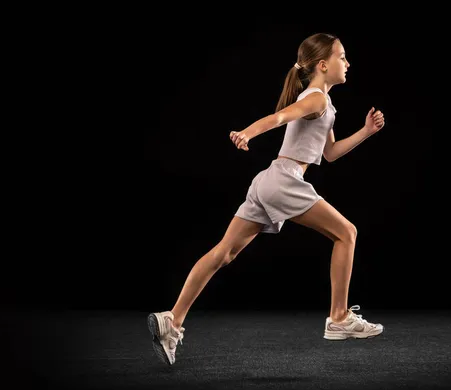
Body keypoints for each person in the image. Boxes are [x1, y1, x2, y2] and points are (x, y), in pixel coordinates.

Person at [148, 33, 386, 365]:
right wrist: (248, 132)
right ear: (322, 64)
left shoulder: (325, 104)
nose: (347, 62)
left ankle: (171, 320)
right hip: (284, 181)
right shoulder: (315, 98)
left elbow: (329, 154)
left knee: (224, 253)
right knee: (347, 233)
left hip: (268, 181)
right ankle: (339, 317)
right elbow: (279, 117)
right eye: (342, 56)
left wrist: (365, 132)